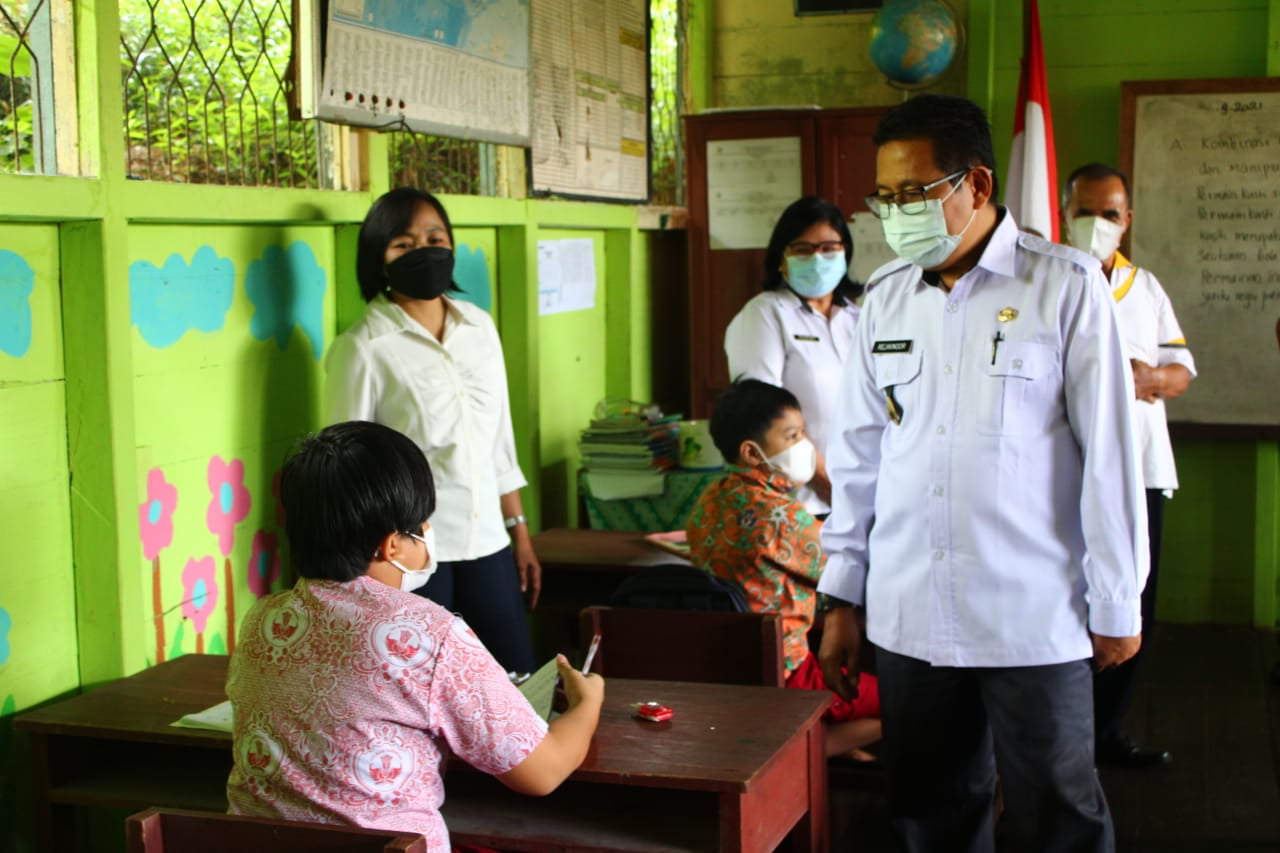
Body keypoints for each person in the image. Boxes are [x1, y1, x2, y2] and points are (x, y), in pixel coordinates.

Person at [817, 94, 1149, 853]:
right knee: (930, 812)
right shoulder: (885, 299)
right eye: (886, 196)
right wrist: (841, 593)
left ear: (977, 184)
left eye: (916, 192)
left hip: (1033, 612)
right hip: (911, 611)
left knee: (1057, 812)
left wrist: (1116, 598)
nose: (898, 213)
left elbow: (1109, 455)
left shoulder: (1063, 286)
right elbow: (861, 456)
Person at [225, 421, 604, 848]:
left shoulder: (264, 618)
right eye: (423, 525)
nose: (428, 536)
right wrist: (588, 705)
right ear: (391, 546)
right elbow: (543, 772)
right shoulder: (430, 634)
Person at [326, 187, 539, 675]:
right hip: (412, 557)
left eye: (434, 237)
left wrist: (519, 531)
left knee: (515, 681)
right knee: (427, 690)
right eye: (402, 244)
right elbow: (345, 469)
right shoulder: (363, 348)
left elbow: (499, 441)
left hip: (488, 541)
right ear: (378, 260)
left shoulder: (481, 328)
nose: (422, 251)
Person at [1063, 162, 1196, 769]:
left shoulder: (1145, 287)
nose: (1097, 225)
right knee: (1071, 599)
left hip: (1141, 469)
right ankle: (1065, 735)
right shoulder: (1049, 281)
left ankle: (1107, 729)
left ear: (1128, 220)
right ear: (1064, 215)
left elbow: (1181, 370)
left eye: (1108, 214)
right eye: (1084, 212)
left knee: (1134, 601)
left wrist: (1149, 379)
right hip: (1068, 471)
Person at [685, 378, 881, 759]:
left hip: (727, 665)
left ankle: (833, 750)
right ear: (752, 452)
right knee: (904, 702)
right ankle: (796, 758)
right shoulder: (779, 516)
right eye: (791, 437)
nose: (804, 446)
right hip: (785, 672)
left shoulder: (710, 496)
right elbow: (848, 566)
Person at [724, 196, 864, 518]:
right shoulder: (765, 314)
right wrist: (823, 481)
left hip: (863, 495)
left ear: (845, 253)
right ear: (781, 258)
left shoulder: (858, 318)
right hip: (799, 504)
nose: (818, 258)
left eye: (829, 248)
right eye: (803, 249)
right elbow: (762, 415)